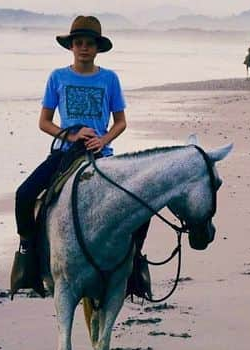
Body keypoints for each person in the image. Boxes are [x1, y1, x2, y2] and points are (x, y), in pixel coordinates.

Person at [10, 16, 150, 297]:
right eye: (79, 43)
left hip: (102, 155)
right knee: (24, 195)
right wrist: (69, 136)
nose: (84, 48)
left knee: (141, 202)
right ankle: (28, 254)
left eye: (89, 44)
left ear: (98, 48)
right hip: (66, 155)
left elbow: (120, 122)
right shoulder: (57, 77)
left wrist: (103, 139)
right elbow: (44, 122)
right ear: (71, 47)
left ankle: (134, 261)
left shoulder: (109, 79)